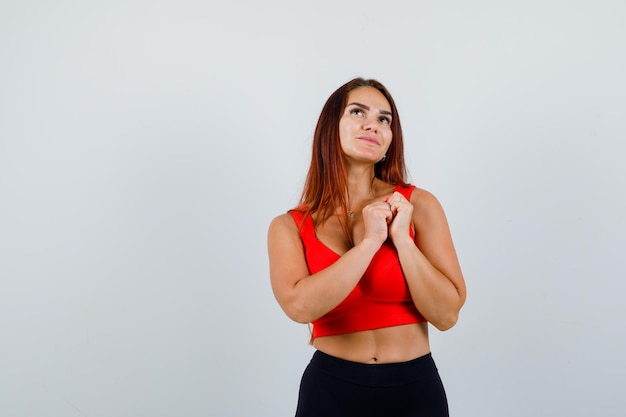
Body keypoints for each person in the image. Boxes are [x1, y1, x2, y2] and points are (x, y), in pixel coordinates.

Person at [267, 77, 466, 417]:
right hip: (330, 390)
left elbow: (446, 315)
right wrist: (371, 242)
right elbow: (300, 308)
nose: (372, 125)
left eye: (384, 119)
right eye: (358, 112)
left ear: (390, 140)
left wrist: (403, 240)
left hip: (414, 389)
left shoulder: (419, 206)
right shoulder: (289, 226)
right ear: (332, 127)